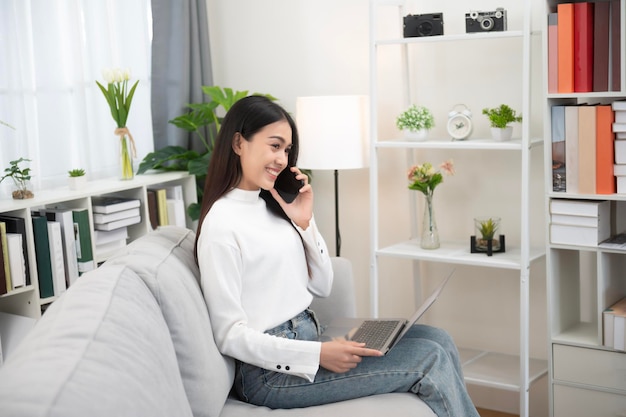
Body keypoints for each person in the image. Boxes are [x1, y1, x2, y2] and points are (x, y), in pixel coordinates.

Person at [195, 95, 480, 416]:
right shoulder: (221, 226)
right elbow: (228, 335)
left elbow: (322, 286)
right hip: (270, 374)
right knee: (430, 358)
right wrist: (316, 354)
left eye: (287, 150)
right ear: (238, 143)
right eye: (274, 146)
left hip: (311, 333)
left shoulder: (271, 205)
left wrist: (304, 223)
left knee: (437, 338)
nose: (282, 159)